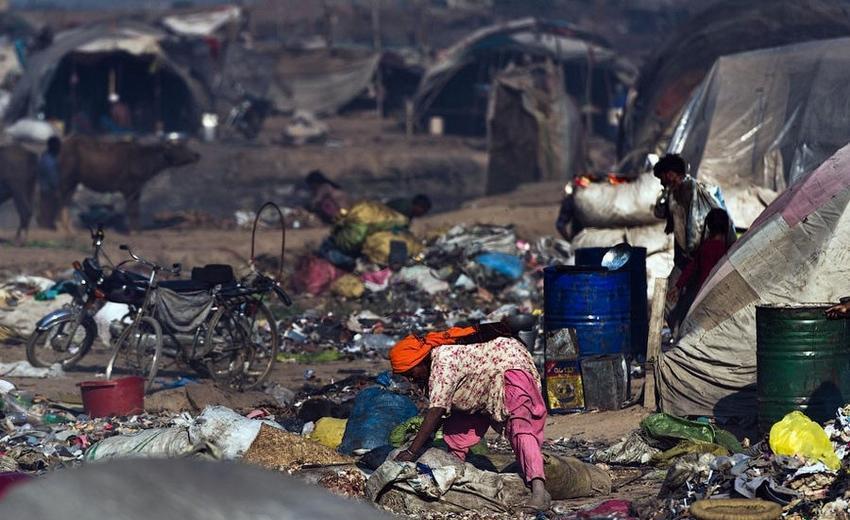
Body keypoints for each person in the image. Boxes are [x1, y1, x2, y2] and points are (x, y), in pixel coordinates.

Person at [389, 322, 551, 511]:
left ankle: (540, 492)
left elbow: (436, 410)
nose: (410, 379)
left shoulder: (442, 361)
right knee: (457, 430)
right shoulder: (434, 368)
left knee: (520, 429)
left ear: (420, 360)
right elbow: (442, 411)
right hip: (480, 381)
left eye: (410, 373)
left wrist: (411, 452)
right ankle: (455, 477)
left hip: (509, 365)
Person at [671, 208, 732, 326]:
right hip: (720, 294)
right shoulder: (726, 250)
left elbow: (690, 268)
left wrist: (678, 286)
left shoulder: (705, 247)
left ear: (709, 226)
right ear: (726, 227)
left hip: (702, 294)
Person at [37, 136, 61, 230]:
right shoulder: (48, 160)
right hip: (48, 188)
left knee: (47, 208)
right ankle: (46, 226)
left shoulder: (48, 156)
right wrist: (57, 188)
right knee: (48, 208)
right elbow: (52, 177)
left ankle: (47, 225)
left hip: (46, 187)